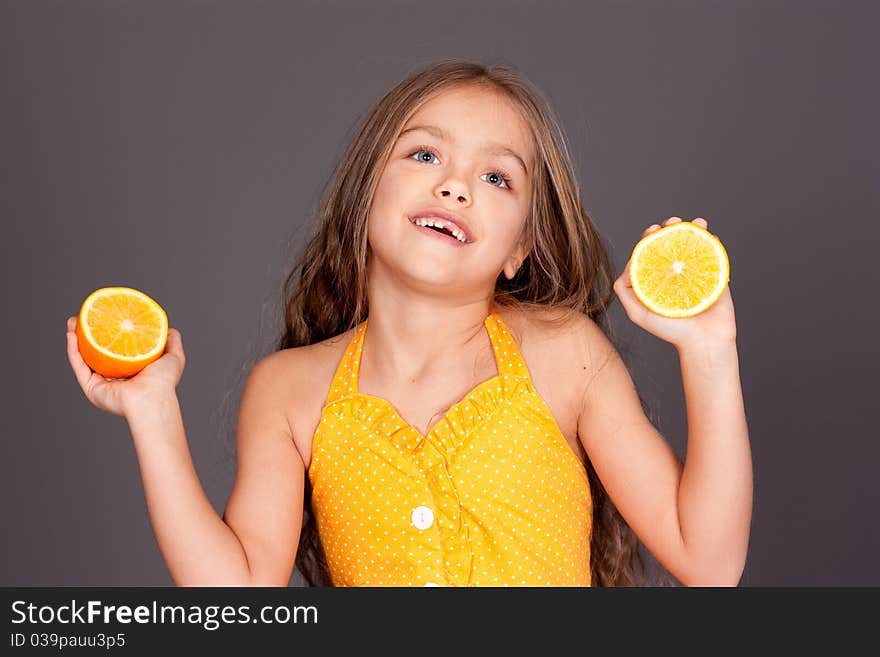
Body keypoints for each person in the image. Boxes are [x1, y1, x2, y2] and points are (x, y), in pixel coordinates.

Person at [66, 58, 752, 587]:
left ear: (520, 249)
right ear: (366, 194)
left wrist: (710, 350)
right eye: (425, 155)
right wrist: (153, 412)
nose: (455, 185)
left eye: (497, 178)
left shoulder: (564, 353)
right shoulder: (289, 390)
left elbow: (709, 560)